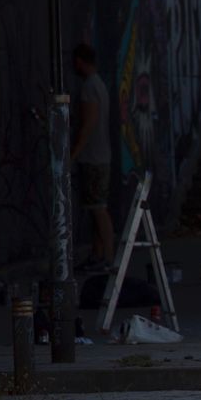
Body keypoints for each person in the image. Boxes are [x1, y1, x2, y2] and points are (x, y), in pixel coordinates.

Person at [71, 43, 114, 272]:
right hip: (101, 156)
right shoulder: (100, 85)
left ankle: (107, 256)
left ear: (80, 61)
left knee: (98, 208)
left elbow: (88, 124)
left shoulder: (89, 88)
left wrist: (74, 153)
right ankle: (99, 255)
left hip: (92, 157)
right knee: (97, 206)